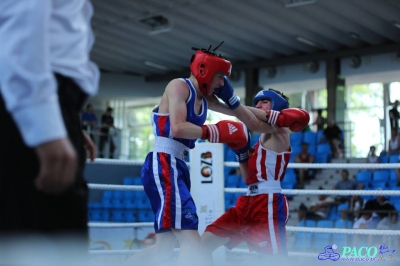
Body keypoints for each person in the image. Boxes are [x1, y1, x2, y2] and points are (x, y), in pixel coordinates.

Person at [124, 46, 250, 266]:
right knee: (192, 242)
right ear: (205, 71)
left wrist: (274, 116)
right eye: (220, 77)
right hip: (165, 162)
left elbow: (243, 114)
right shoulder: (179, 86)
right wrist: (214, 131)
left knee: (163, 250)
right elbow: (179, 127)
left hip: (177, 165)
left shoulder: (205, 100)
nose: (222, 83)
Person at [0, 0, 99, 264]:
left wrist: (65, 122)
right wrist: (44, 125)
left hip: (49, 103)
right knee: (47, 247)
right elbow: (20, 19)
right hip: (30, 102)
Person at [199, 86, 310, 262]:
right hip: (247, 202)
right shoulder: (259, 141)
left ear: (277, 106)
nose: (258, 105)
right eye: (256, 102)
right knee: (201, 246)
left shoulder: (280, 132)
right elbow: (248, 179)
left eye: (264, 101)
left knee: (275, 259)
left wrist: (225, 103)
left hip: (268, 204)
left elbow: (253, 122)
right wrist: (241, 154)